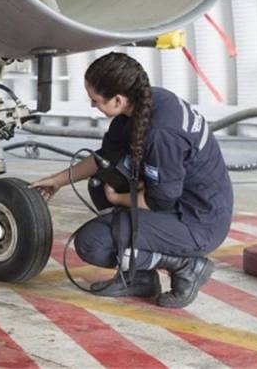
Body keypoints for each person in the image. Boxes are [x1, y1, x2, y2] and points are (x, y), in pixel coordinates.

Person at [31, 52, 232, 308]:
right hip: (183, 205)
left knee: (93, 243)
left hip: (198, 222)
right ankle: (140, 279)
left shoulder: (160, 134)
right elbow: (105, 158)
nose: (93, 106)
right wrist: (58, 180)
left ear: (117, 99)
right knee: (101, 183)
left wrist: (118, 198)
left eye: (95, 101)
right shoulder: (147, 102)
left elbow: (158, 201)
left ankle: (187, 265)